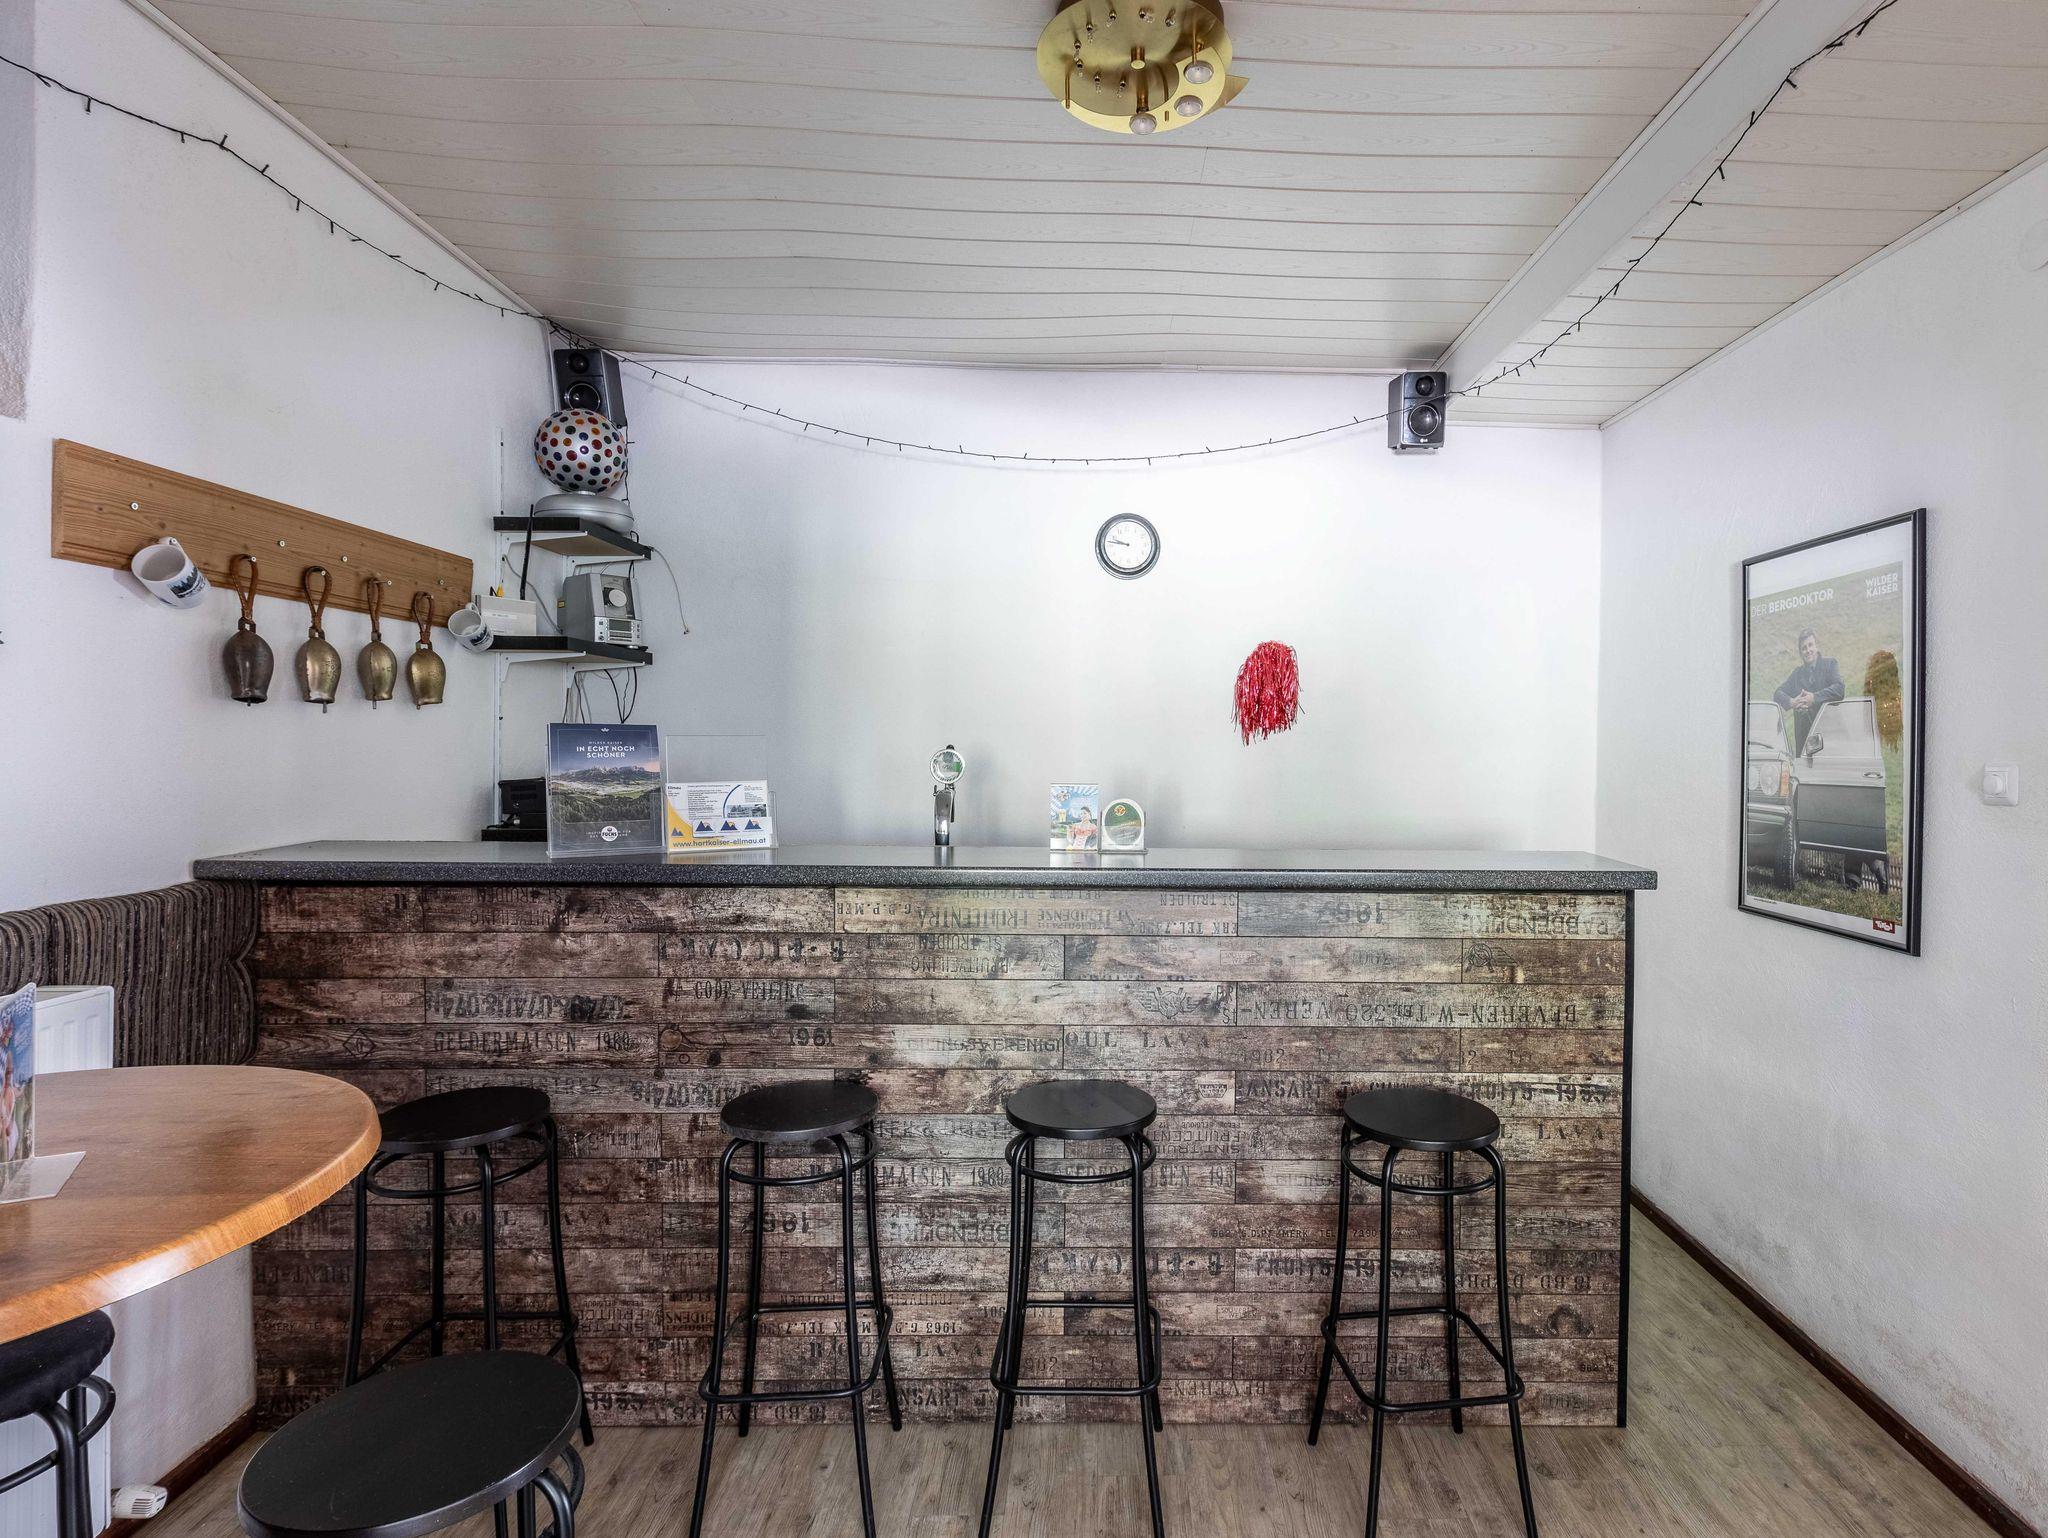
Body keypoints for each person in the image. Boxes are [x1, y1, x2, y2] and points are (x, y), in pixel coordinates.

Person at [1773, 628, 1844, 753]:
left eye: (1810, 645)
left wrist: (1814, 698)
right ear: (1800, 653)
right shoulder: (1797, 674)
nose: (1808, 650)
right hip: (1804, 745)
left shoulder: (1830, 664)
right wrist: (1791, 702)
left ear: (1816, 646)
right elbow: (1777, 693)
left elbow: (1839, 689)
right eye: (1804, 648)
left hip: (1829, 741)